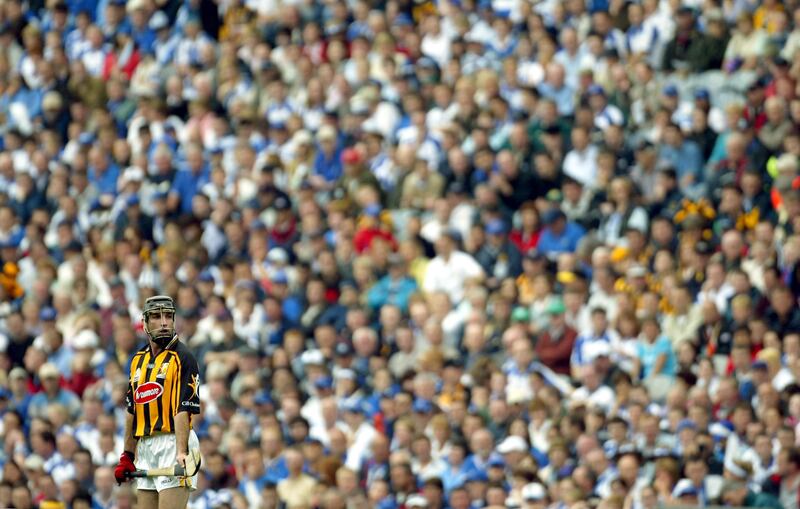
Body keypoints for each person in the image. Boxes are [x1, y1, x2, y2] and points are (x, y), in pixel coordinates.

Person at [114, 295, 202, 509]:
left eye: (168, 316)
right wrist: (127, 455)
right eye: (156, 316)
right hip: (146, 446)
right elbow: (132, 410)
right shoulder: (138, 359)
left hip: (173, 442)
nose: (163, 322)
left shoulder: (183, 357)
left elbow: (182, 409)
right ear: (144, 323)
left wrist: (181, 451)